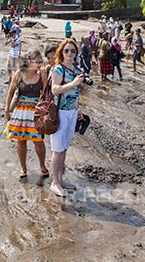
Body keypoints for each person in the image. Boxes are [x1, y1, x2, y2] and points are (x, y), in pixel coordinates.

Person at [4, 50, 49, 178]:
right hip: (21, 112)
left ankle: (42, 165)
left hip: (36, 113)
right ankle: (23, 168)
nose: (40, 64)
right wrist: (7, 109)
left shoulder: (42, 75)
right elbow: (10, 92)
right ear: (29, 61)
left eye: (41, 61)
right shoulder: (19, 74)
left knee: (39, 141)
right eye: (37, 61)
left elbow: (45, 95)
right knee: (21, 140)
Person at [49, 38, 85, 197]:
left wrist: (78, 108)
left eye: (72, 51)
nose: (70, 53)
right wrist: (73, 83)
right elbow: (55, 90)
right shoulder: (58, 69)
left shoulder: (75, 69)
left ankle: (61, 179)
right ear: (61, 53)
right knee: (57, 149)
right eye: (66, 51)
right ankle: (54, 182)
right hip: (60, 112)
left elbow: (76, 93)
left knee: (64, 148)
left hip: (71, 111)